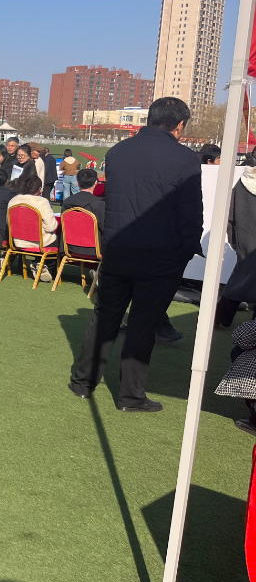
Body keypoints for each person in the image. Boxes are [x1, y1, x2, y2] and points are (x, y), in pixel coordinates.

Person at [68, 97, 203, 412]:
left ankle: (82, 382)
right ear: (179, 125)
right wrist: (188, 249)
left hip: (118, 248)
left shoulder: (118, 152)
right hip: (161, 255)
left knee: (105, 316)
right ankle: (130, 396)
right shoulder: (185, 158)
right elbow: (190, 212)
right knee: (143, 323)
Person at [216, 161, 256, 327]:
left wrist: (236, 242)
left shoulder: (244, 182)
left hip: (246, 241)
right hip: (248, 243)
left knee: (240, 279)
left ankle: (220, 319)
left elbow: (230, 215)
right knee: (241, 279)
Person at [7, 174, 57, 280]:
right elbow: (51, 227)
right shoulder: (42, 202)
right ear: (39, 189)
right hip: (39, 242)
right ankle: (44, 265)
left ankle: (39, 263)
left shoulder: (13, 200)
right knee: (58, 242)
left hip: (18, 240)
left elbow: (9, 222)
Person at [60, 168, 104, 256]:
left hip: (70, 246)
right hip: (94, 249)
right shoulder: (98, 204)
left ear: (77, 183)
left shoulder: (67, 202)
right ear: (96, 182)